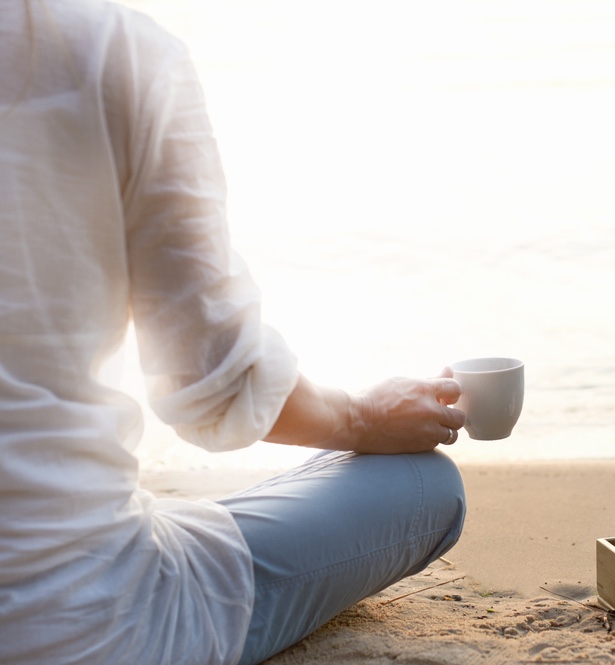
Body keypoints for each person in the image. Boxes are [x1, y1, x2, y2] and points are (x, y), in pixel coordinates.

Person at [0, 1, 468, 663]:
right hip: (78, 624)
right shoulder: (110, 52)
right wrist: (362, 419)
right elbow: (215, 386)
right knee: (427, 490)